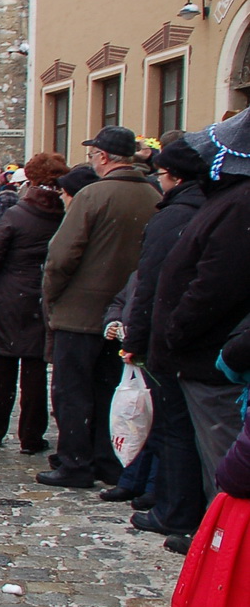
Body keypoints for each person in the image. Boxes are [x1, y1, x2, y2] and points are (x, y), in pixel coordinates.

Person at [39, 126, 160, 488]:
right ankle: (109, 460)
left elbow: (61, 256)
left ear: (104, 158)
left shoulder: (93, 195)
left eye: (94, 154)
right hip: (127, 311)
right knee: (111, 389)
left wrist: (52, 296)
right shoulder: (153, 195)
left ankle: (76, 462)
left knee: (73, 392)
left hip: (82, 312)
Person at [148, 110, 250, 513]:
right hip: (206, 351)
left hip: (213, 356)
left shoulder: (239, 205)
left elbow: (216, 284)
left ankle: (226, 546)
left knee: (226, 466)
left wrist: (178, 329)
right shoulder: (229, 201)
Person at [120, 139, 207, 537]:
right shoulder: (208, 207)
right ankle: (171, 500)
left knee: (173, 427)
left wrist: (135, 338)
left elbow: (149, 284)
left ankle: (174, 509)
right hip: (199, 333)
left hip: (173, 334)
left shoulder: (172, 218)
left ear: (171, 176)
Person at [0, 153, 68, 455]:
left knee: (2, 370)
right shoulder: (63, 214)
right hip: (41, 296)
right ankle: (31, 436)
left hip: (8, 296)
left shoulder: (19, 213)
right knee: (34, 371)